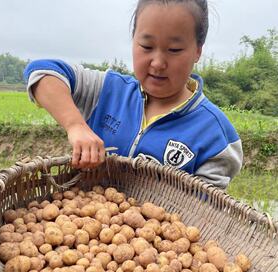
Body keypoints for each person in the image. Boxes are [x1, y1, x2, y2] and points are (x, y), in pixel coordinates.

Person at [24, 0, 243, 189]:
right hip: (86, 214)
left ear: (198, 50)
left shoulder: (216, 136)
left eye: (174, 50)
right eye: (146, 46)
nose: (157, 63)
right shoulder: (108, 90)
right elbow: (42, 72)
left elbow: (203, 213)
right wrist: (76, 126)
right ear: (133, 41)